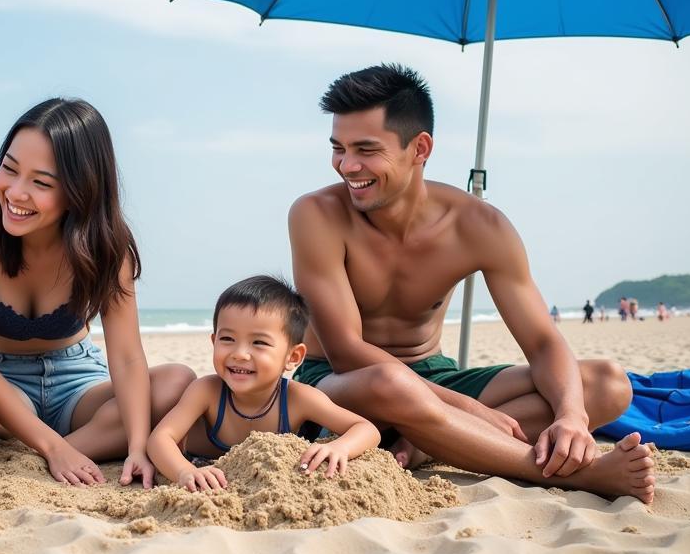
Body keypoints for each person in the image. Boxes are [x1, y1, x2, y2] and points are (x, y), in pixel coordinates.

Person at [288, 64, 654, 503]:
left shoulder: (479, 226)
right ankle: (569, 474)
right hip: (341, 382)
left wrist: (572, 416)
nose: (347, 166)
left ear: (419, 148)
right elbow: (347, 351)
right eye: (338, 148)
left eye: (366, 149)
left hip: (434, 376)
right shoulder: (316, 215)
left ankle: (425, 444)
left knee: (606, 383)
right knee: (389, 381)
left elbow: (541, 342)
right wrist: (473, 410)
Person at [0, 97, 194, 488]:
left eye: (41, 183)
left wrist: (139, 446)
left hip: (77, 380)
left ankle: (40, 449)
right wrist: (55, 450)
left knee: (177, 381)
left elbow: (127, 359)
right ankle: (54, 448)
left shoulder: (107, 246)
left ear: (81, 190)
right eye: (9, 169)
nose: (16, 193)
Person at [148, 275, 379, 491]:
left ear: (293, 357)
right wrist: (184, 471)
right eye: (227, 339)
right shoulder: (206, 391)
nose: (240, 354)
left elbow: (366, 428)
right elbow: (160, 438)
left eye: (259, 342)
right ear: (213, 340)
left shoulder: (299, 399)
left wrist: (340, 447)